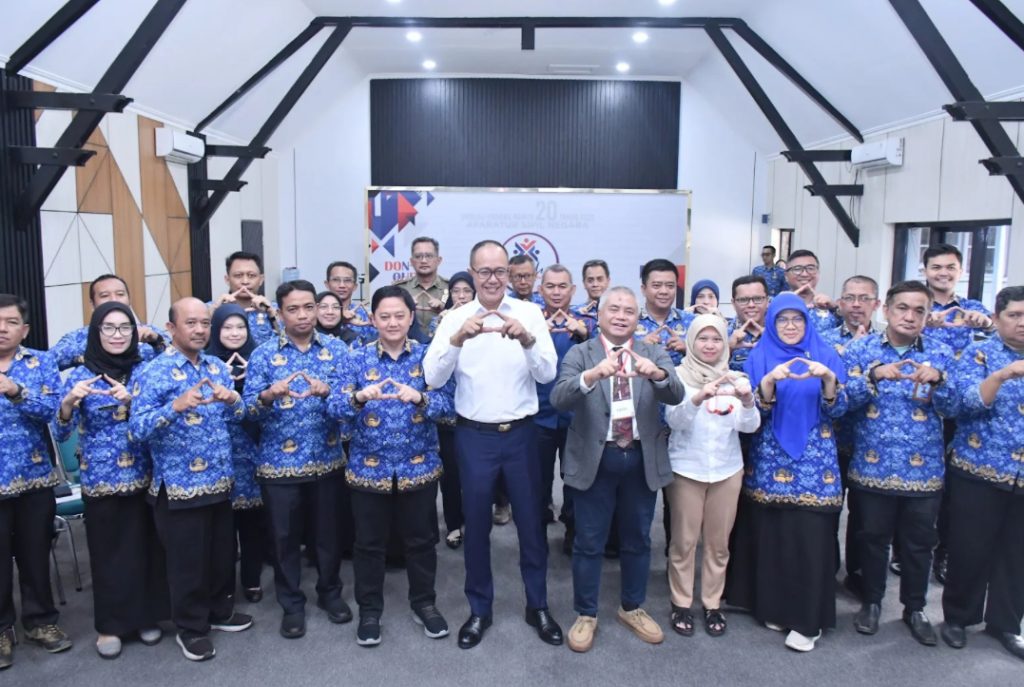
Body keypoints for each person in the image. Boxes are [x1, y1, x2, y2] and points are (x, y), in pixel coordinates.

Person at [424, 239, 562, 650]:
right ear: (471, 273)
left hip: (521, 435)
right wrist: (456, 340)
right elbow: (431, 378)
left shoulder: (529, 313)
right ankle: (479, 609)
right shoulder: (455, 318)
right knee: (476, 527)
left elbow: (547, 374)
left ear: (511, 274)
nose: (492, 279)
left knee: (532, 525)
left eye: (500, 271)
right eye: (483, 271)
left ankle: (537, 605)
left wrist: (528, 341)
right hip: (474, 436)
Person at [550, 286, 684, 652]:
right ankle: (586, 613)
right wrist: (591, 376)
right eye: (614, 309)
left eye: (629, 311)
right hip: (596, 458)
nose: (622, 316)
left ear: (637, 318)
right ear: (600, 315)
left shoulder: (653, 352)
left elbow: (676, 394)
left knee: (638, 538)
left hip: (641, 458)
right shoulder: (581, 353)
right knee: (588, 540)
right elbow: (558, 398)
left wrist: (657, 375)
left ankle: (632, 607)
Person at [329, 286, 456, 646]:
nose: (392, 322)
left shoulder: (429, 357)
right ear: (372, 320)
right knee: (368, 545)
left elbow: (448, 407)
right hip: (368, 470)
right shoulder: (355, 359)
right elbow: (333, 408)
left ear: (411, 317)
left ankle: (424, 604)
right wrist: (358, 398)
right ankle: (370, 611)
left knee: (421, 541)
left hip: (419, 467)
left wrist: (420, 398)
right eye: (384, 316)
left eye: (400, 315)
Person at [129, 297, 253, 662]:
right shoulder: (153, 372)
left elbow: (239, 418)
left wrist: (233, 400)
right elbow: (136, 429)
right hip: (179, 486)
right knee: (188, 563)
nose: (200, 330)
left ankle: (220, 611)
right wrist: (174, 407)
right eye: (191, 323)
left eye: (204, 323)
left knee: (221, 555)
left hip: (220, 480)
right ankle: (191, 628)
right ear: (171, 328)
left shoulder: (216, 367)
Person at [724, 293, 848, 653]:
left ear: (808, 322)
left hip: (815, 466)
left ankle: (809, 621)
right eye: (782, 319)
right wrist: (767, 385)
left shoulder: (826, 354)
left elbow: (841, 411)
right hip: (770, 462)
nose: (790, 326)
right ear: (772, 322)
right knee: (773, 536)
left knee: (809, 539)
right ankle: (775, 608)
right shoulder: (758, 356)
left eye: (797, 319)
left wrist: (828, 380)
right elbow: (749, 416)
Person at [843, 281, 957, 646]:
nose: (910, 316)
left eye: (919, 310)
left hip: (923, 470)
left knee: (918, 544)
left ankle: (915, 608)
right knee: (872, 539)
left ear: (927, 315)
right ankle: (872, 602)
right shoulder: (861, 350)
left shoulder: (940, 353)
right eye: (903, 308)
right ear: (886, 310)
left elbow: (956, 408)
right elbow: (840, 402)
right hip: (872, 465)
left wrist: (940, 382)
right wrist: (872, 377)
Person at [55, 302, 169, 658]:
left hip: (145, 473)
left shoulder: (146, 370)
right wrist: (68, 404)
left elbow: (160, 417)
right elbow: (61, 433)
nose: (117, 335)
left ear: (135, 333)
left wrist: (132, 401)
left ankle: (146, 617)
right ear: (95, 332)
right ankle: (110, 626)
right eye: (109, 328)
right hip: (101, 478)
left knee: (147, 547)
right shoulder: (79, 375)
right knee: (108, 554)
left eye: (124, 328)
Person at [242, 280, 350, 640]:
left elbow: (351, 404)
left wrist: (330, 392)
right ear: (279, 312)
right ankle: (291, 603)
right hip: (278, 465)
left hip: (327, 459)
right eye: (293, 309)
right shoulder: (263, 355)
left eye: (308, 307)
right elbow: (247, 412)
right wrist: (268, 395)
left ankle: (330, 592)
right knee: (283, 539)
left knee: (328, 535)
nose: (303, 315)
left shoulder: (337, 350)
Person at [941, 285, 1024, 660]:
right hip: (979, 469)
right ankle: (959, 617)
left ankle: (1006, 623)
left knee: (1017, 553)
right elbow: (963, 403)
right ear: (996, 318)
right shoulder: (978, 352)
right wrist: (1003, 375)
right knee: (970, 548)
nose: (1022, 323)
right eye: (1014, 315)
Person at [664, 314, 759, 639]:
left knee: (718, 544)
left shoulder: (736, 378)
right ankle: (681, 602)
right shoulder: (678, 376)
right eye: (702, 338)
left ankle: (712, 603)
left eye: (716, 339)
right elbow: (674, 422)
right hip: (686, 469)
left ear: (724, 343)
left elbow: (749, 427)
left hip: (726, 470)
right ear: (691, 342)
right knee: (684, 542)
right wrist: (698, 398)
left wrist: (747, 401)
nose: (709, 345)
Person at [0, 294, 69, 669]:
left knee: (35, 556)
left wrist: (16, 391)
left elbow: (52, 412)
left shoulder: (40, 363)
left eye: (11, 322)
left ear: (24, 329)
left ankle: (41, 622)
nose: (2, 329)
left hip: (34, 478)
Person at [921, 243, 993, 585]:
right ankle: (909, 551)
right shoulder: (916, 305)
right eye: (936, 267)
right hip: (920, 405)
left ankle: (945, 552)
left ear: (960, 271)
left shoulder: (973, 309)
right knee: (919, 485)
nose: (943, 273)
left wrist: (986, 324)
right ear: (925, 270)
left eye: (950, 267)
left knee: (953, 487)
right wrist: (924, 324)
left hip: (961, 411)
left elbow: (998, 341)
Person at [205, 304, 267, 604]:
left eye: (240, 327)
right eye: (227, 327)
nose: (234, 333)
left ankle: (252, 580)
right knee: (222, 530)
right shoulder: (205, 365)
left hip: (253, 454)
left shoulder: (260, 359)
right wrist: (225, 381)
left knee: (253, 525)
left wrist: (248, 378)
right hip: (219, 457)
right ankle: (225, 587)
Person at [536, 265, 590, 551]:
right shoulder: (531, 320)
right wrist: (534, 335)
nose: (556, 292)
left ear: (573, 289)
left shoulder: (587, 322)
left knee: (574, 478)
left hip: (577, 416)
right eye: (550, 286)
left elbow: (604, 357)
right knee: (537, 480)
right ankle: (536, 534)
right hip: (538, 414)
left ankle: (572, 529)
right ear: (540, 289)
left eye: (562, 286)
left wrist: (584, 334)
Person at [430, 271, 475, 548]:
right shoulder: (440, 322)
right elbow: (430, 363)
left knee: (476, 474)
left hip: (476, 412)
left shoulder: (485, 321)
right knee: (450, 475)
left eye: (466, 291)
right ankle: (454, 524)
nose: (461, 296)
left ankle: (475, 521)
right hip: (447, 411)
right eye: (456, 291)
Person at [50, 273, 168, 370]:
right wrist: (96, 341)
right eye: (105, 295)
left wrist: (156, 341)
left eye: (120, 294)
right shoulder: (77, 338)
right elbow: (47, 363)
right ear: (92, 304)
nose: (114, 299)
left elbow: (176, 359)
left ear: (129, 300)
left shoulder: (148, 332)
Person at [210, 251, 279, 345]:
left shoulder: (276, 309)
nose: (245, 281)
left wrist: (271, 313)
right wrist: (213, 311)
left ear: (261, 280)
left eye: (251, 276)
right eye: (238, 275)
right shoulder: (211, 308)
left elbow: (290, 342)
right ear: (227, 279)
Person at [635, 259, 690, 365]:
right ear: (643, 289)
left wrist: (688, 350)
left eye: (670, 286)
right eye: (656, 285)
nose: (664, 291)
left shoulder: (691, 321)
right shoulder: (628, 322)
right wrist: (638, 349)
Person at [394, 237, 449, 333]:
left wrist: (444, 308)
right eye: (418, 256)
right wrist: (405, 306)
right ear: (412, 261)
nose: (423, 260)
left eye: (429, 256)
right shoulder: (399, 289)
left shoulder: (451, 288)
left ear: (439, 260)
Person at [784, 250, 840, 334]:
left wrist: (836, 308)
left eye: (810, 268)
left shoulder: (830, 307)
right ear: (786, 276)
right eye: (797, 269)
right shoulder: (773, 305)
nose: (804, 274)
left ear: (818, 273)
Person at [324, 261, 377, 344]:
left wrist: (378, 323)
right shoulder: (318, 314)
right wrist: (340, 320)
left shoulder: (367, 315)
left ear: (355, 286)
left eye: (347, 280)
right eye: (336, 280)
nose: (342, 285)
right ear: (327, 284)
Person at [727, 276, 769, 374]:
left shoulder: (781, 331)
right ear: (733, 303)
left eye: (758, 298)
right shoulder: (722, 335)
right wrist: (728, 349)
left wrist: (774, 341)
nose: (751, 305)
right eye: (743, 300)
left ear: (767, 301)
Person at [570, 259, 609, 336]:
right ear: (584, 283)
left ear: (608, 281)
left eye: (600, 279)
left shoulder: (618, 313)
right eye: (590, 280)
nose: (595, 284)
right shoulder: (573, 314)